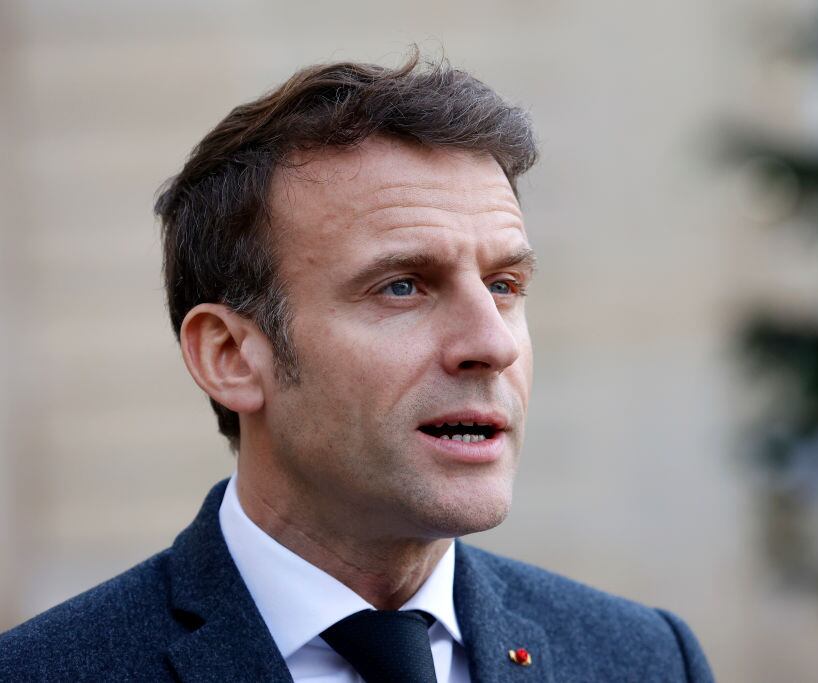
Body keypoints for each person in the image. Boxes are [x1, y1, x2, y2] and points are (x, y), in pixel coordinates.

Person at [0, 54, 714, 682]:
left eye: (503, 285)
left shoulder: (644, 658)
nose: (491, 343)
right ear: (230, 356)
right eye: (402, 285)